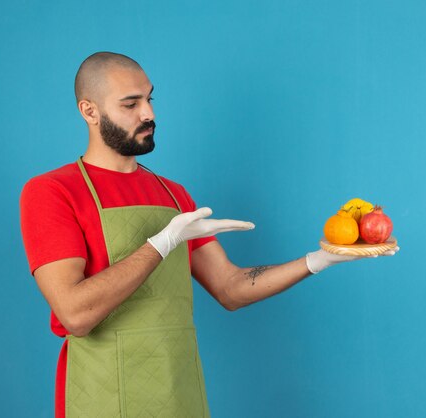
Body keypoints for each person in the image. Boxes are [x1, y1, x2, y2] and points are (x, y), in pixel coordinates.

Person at [20, 51, 398, 418]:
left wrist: (318, 260)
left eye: (150, 99)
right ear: (89, 111)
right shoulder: (52, 191)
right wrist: (162, 243)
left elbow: (231, 288)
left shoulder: (173, 194)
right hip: (103, 392)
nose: (149, 113)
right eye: (130, 104)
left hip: (177, 390)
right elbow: (75, 313)